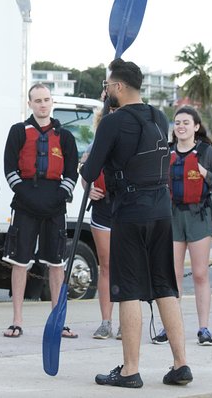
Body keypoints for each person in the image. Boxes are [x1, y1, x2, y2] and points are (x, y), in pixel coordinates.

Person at [81, 58, 192, 388]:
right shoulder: (159, 117)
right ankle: (180, 364)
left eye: (107, 87)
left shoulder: (112, 124)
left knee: (127, 290)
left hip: (130, 213)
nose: (105, 93)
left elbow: (90, 173)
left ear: (117, 87)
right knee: (164, 287)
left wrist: (85, 164)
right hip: (161, 211)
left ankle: (130, 370)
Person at [2, 84, 79, 339]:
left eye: (46, 100)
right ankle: (16, 320)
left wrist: (59, 196)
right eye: (37, 100)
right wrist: (26, 195)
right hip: (25, 203)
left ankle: (59, 320)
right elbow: (10, 168)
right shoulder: (18, 132)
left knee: (57, 264)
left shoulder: (65, 136)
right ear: (30, 103)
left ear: (52, 102)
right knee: (20, 262)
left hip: (55, 205)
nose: (42, 104)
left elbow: (71, 173)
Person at [151, 106, 212, 346]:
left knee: (200, 273)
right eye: (178, 123)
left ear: (196, 127)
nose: (181, 126)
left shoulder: (207, 153)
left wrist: (206, 175)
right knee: (172, 275)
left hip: (199, 216)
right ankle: (169, 327)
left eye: (186, 122)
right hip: (172, 217)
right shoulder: (166, 153)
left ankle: (204, 328)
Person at [81, 106, 117, 340]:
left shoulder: (132, 144)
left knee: (125, 268)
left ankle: (127, 321)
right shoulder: (94, 147)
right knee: (106, 266)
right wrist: (90, 187)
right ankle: (106, 322)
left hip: (126, 212)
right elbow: (85, 176)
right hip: (102, 212)